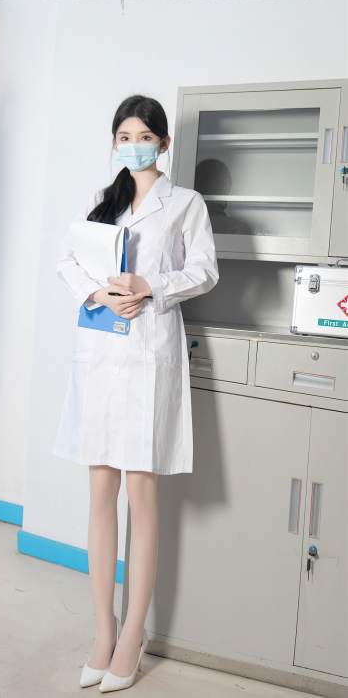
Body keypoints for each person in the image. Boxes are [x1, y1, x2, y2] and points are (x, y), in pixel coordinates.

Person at [52, 94, 219, 692]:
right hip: (102, 351)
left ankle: (132, 635)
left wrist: (151, 286)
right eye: (124, 136)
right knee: (100, 488)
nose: (134, 145)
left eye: (144, 136)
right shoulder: (101, 202)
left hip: (149, 354)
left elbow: (205, 270)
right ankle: (103, 630)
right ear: (114, 143)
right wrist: (99, 294)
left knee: (140, 494)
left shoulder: (186, 204)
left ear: (163, 143)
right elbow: (68, 260)